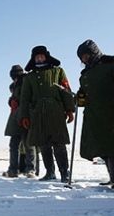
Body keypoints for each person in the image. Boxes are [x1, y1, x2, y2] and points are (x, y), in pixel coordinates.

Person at [76, 39, 114, 190]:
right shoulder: (85, 74)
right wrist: (80, 98)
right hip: (95, 115)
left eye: (86, 55)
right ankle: (112, 178)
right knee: (102, 147)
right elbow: (84, 93)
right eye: (82, 57)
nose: (84, 59)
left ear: (94, 52)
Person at [19, 46, 75, 183]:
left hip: (56, 111)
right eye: (36, 57)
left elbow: (66, 90)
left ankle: (64, 172)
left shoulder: (58, 71)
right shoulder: (29, 77)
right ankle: (50, 172)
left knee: (59, 143)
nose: (39, 59)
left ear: (46, 57)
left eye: (41, 56)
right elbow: (24, 97)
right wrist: (24, 116)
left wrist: (70, 109)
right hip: (37, 113)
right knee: (43, 144)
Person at [3, 65, 39, 178]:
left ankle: (31, 169)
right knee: (14, 144)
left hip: (25, 115)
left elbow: (27, 97)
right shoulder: (14, 85)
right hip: (15, 117)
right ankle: (13, 169)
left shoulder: (26, 81)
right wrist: (12, 100)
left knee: (29, 144)